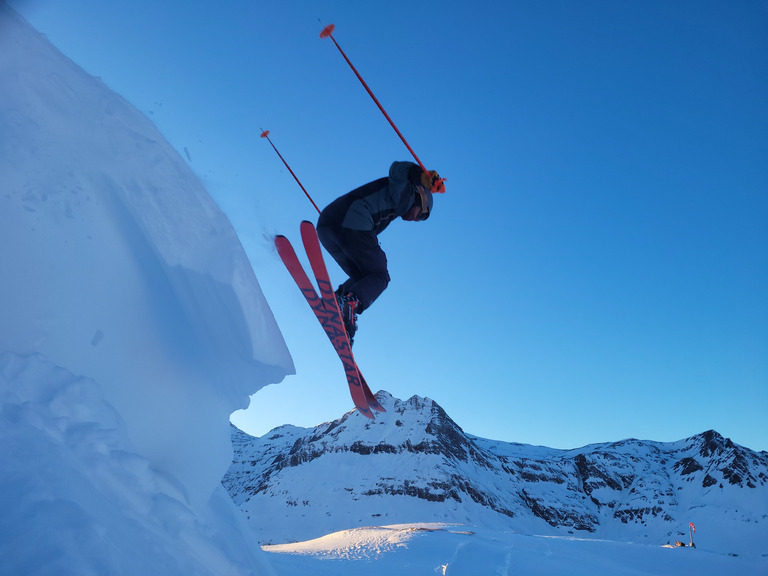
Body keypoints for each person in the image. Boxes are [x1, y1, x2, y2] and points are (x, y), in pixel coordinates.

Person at [317, 160, 442, 345]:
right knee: (380, 275)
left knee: (364, 276)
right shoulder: (403, 192)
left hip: (327, 227)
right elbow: (398, 169)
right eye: (421, 215)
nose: (416, 220)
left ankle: (337, 301)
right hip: (352, 221)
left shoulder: (391, 208)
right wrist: (420, 176)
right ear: (420, 198)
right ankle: (349, 304)